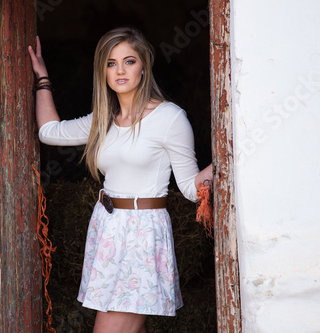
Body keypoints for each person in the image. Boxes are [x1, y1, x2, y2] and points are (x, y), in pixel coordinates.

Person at [28, 27, 213, 333]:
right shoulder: (103, 119)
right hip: (106, 227)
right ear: (103, 71)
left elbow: (191, 190)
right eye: (111, 63)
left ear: (144, 66)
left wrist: (227, 162)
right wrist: (42, 78)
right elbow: (49, 132)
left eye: (129, 61)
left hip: (142, 232)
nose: (120, 70)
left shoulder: (169, 118)